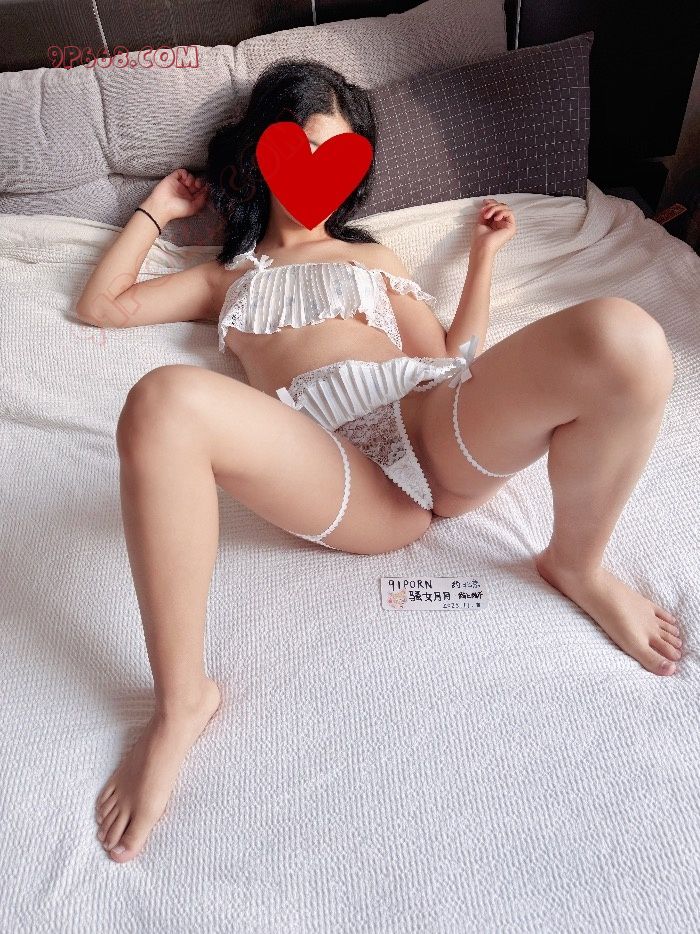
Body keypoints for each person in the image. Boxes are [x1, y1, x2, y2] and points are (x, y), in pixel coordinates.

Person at [76, 58, 681, 863]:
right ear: (262, 154)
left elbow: (455, 358)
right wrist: (157, 209)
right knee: (162, 402)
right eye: (301, 150)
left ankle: (576, 562)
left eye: (338, 155)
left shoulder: (379, 261)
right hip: (337, 467)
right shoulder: (225, 277)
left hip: (432, 422)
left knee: (626, 337)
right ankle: (183, 700)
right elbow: (102, 305)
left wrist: (484, 257)